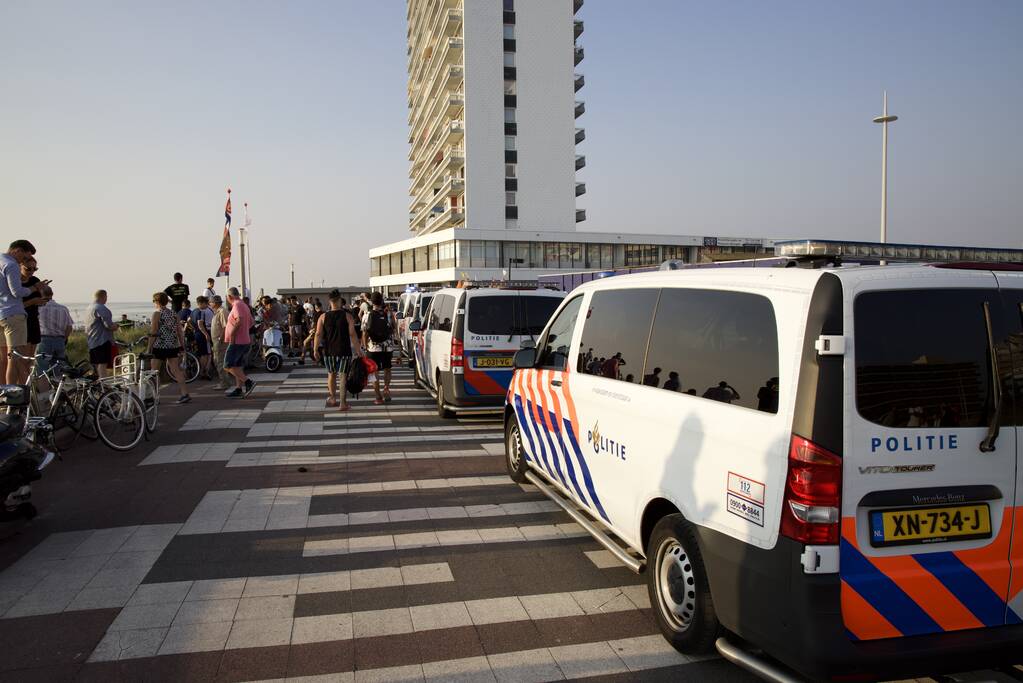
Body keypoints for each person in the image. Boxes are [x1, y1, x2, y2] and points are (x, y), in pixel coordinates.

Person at [1, 240, 49, 384]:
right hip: (13, 314)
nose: (24, 260)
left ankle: (3, 395)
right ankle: (13, 397)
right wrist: (35, 288)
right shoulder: (11, 265)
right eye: (24, 257)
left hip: (1, 313)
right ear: (18, 250)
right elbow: (17, 292)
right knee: (15, 358)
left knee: (3, 358)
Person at [314, 289, 361, 411]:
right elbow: (353, 334)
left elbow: (318, 334)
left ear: (329, 301)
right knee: (343, 376)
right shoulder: (347, 316)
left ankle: (333, 398)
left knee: (331, 375)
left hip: (329, 352)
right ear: (340, 300)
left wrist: (315, 349)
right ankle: (343, 403)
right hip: (344, 351)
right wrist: (359, 350)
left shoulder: (323, 317)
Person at [146, 292, 190, 404]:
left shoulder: (157, 314)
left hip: (160, 346)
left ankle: (155, 397)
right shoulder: (174, 313)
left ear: (157, 302)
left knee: (154, 372)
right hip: (173, 346)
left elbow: (154, 332)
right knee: (176, 370)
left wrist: (149, 348)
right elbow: (180, 331)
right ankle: (185, 393)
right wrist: (182, 346)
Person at [362, 291, 395, 405]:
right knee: (387, 369)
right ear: (382, 301)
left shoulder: (367, 314)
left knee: (374, 372)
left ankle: (378, 396)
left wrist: (364, 346)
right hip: (387, 347)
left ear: (371, 301)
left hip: (372, 348)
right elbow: (393, 329)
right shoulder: (388, 313)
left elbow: (365, 332)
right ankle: (386, 388)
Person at [224, 287, 255, 398]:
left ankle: (248, 382)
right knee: (237, 365)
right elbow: (251, 322)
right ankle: (238, 388)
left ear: (229, 297)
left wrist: (232, 334)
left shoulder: (237, 305)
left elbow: (239, 320)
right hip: (244, 339)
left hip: (237, 341)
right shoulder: (244, 305)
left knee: (227, 365)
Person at [37, 286, 72, 375]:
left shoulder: (38, 308)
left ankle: (44, 389)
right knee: (59, 368)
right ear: (52, 294)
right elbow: (69, 327)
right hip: (60, 340)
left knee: (42, 369)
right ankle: (57, 388)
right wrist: (64, 339)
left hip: (44, 340)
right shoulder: (63, 308)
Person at [86, 290, 118, 378]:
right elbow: (108, 326)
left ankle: (99, 384)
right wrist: (115, 326)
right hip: (102, 340)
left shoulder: (89, 308)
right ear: (104, 296)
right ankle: (104, 384)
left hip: (92, 340)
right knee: (102, 363)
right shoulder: (101, 308)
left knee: (96, 363)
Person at [20, 257, 43, 358]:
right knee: (22, 356)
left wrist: (42, 300)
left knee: (31, 356)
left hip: (33, 318)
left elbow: (39, 298)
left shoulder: (35, 280)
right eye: (28, 269)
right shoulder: (15, 283)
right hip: (20, 320)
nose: (32, 272)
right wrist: (32, 302)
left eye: (35, 269)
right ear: (20, 266)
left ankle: (28, 374)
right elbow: (13, 305)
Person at [191, 296, 214, 379]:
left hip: (197, 333)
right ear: (202, 303)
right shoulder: (201, 312)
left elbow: (189, 320)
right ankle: (203, 372)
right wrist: (206, 334)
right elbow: (200, 325)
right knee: (206, 354)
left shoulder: (193, 311)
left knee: (202, 354)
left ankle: (201, 371)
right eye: (206, 304)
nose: (207, 305)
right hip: (203, 334)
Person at [209, 295, 229, 389]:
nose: (210, 304)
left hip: (220, 341)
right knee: (218, 361)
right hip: (216, 340)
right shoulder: (217, 312)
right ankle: (224, 381)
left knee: (219, 361)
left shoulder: (222, 311)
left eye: (211, 302)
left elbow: (225, 327)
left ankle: (224, 383)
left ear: (215, 303)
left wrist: (221, 339)